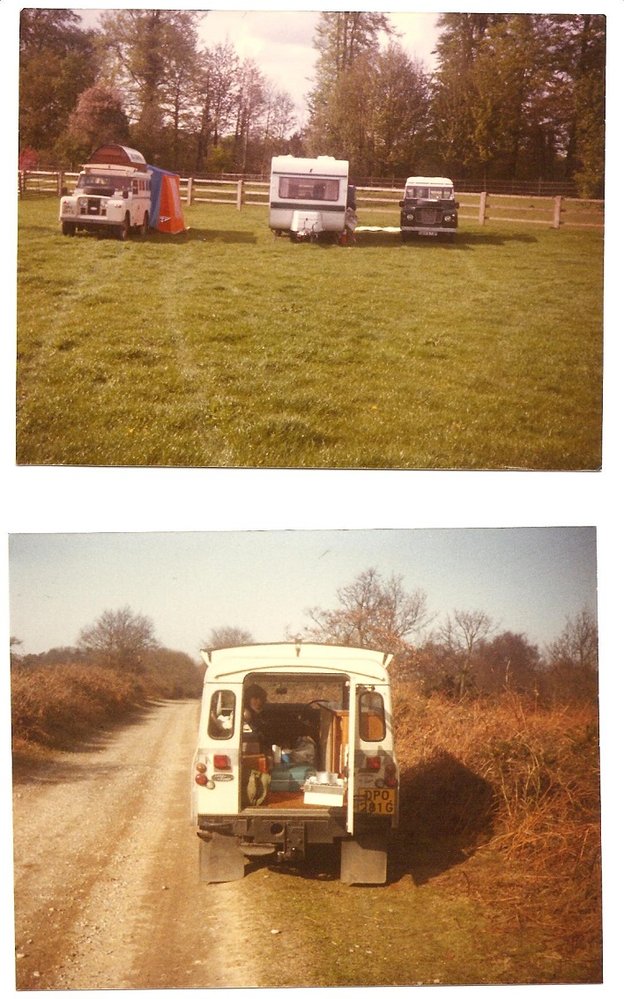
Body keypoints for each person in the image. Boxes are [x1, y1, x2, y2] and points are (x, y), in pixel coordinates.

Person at [242, 683, 271, 752]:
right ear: (248, 699)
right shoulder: (245, 713)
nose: (259, 701)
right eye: (255, 698)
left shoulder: (262, 713)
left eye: (261, 698)